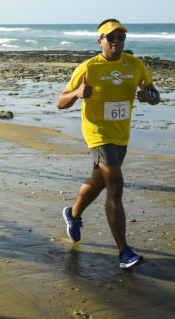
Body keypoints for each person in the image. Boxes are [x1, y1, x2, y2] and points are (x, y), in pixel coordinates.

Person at [56, 19, 161, 269]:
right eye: (110, 38)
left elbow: (156, 96)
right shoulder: (88, 68)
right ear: (100, 41)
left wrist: (149, 97)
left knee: (99, 181)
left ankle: (73, 214)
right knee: (115, 183)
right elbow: (61, 102)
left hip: (120, 134)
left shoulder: (135, 64)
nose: (116, 42)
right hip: (96, 133)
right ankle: (124, 252)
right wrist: (76, 94)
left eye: (120, 38)